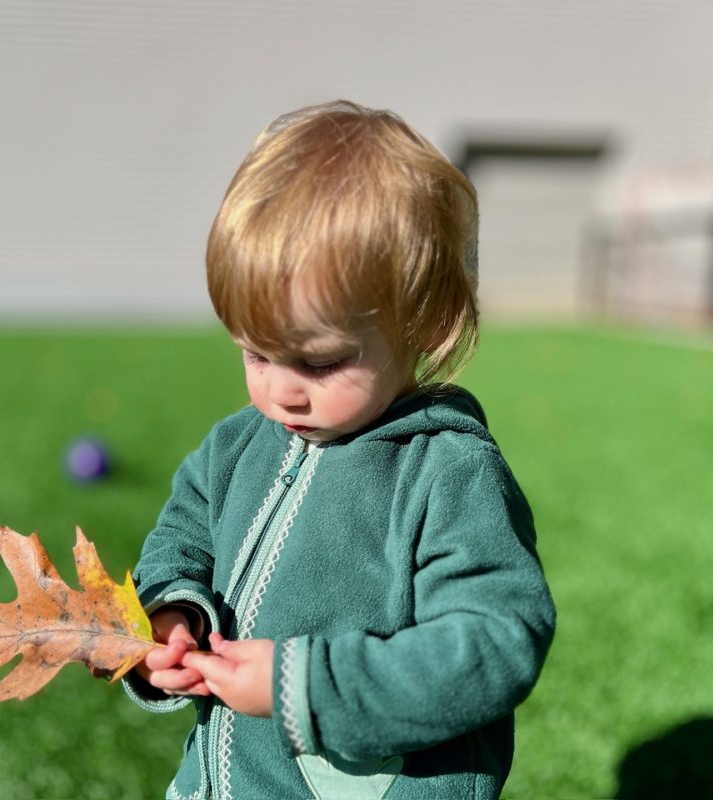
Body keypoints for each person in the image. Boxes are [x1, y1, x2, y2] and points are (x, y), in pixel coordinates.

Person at [124, 99, 556, 800]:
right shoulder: (235, 446)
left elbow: (496, 640)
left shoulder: (444, 472)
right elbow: (180, 540)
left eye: (319, 362)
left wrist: (307, 687)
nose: (280, 393)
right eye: (255, 354)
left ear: (425, 320)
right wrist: (172, 617)